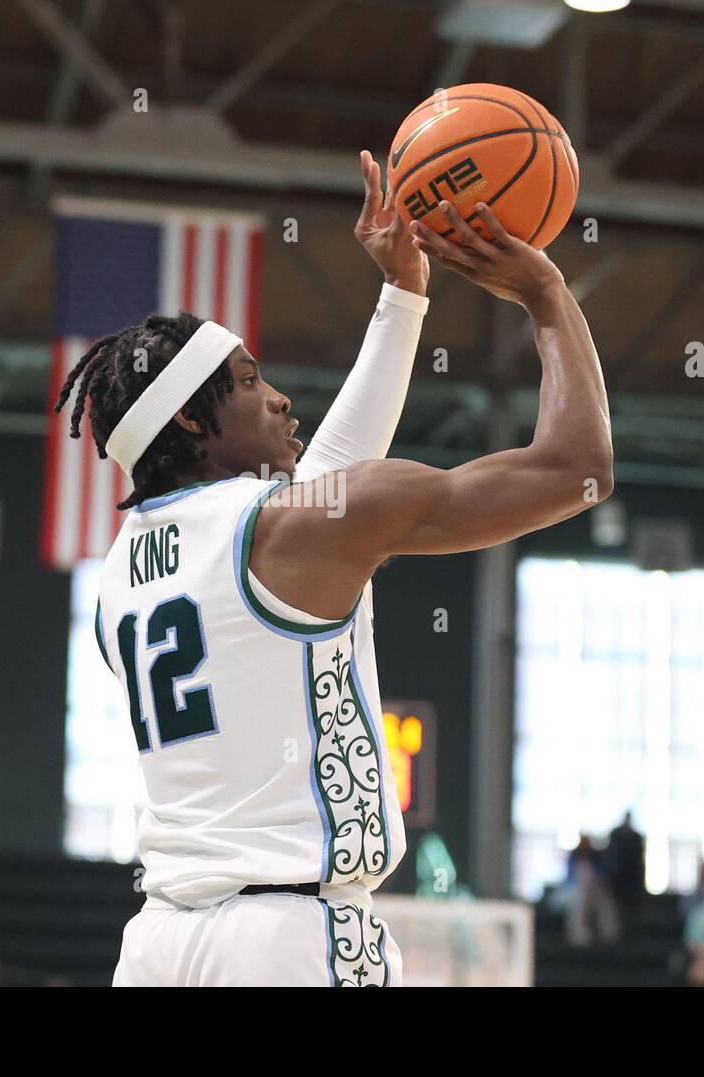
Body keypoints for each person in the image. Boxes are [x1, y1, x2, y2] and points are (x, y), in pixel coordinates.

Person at [54, 152, 612, 986]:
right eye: (248, 382)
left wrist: (403, 294)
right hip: (285, 939)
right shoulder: (287, 528)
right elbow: (578, 467)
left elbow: (330, 477)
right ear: (194, 426)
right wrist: (546, 294)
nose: (279, 398)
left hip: (159, 945)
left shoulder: (120, 571)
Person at [565, 835, 620, 947]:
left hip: (596, 891)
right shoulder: (573, 857)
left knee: (606, 903)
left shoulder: (598, 858)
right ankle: (578, 934)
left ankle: (609, 932)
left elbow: (603, 876)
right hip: (576, 892)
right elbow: (569, 879)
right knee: (579, 902)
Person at [605, 811, 645, 930]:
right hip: (617, 881)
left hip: (632, 882)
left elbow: (639, 861)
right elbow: (611, 857)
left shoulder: (636, 837)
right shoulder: (615, 834)